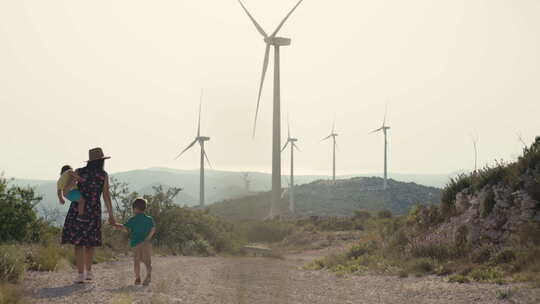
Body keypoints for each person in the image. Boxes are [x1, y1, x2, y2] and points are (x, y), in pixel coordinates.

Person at [61, 147, 116, 283]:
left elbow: (66, 189)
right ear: (101, 161)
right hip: (93, 210)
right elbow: (106, 196)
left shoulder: (79, 172)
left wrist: (73, 193)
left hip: (78, 208)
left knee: (78, 243)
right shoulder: (103, 175)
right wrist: (111, 214)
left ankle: (81, 274)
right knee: (90, 242)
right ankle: (89, 271)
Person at [114, 197, 156, 286]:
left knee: (137, 262)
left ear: (135, 208)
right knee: (148, 262)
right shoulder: (149, 219)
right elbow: (153, 229)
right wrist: (148, 238)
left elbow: (125, 228)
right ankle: (148, 275)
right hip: (146, 243)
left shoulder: (133, 219)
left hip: (136, 244)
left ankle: (137, 278)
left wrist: (116, 224)